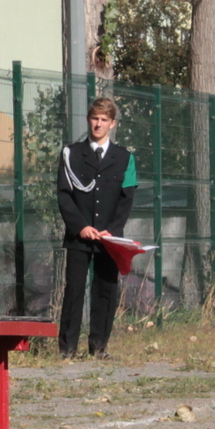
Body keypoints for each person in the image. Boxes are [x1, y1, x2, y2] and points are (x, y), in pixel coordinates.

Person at [56, 96, 137, 358]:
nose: (98, 124)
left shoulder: (125, 158)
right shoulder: (71, 154)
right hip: (79, 236)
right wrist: (80, 226)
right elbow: (64, 194)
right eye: (94, 118)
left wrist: (112, 230)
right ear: (88, 120)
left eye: (104, 120)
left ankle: (99, 347)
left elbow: (127, 199)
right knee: (74, 290)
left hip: (109, 238)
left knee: (106, 290)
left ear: (112, 123)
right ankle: (67, 349)